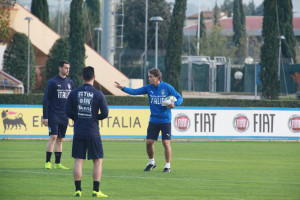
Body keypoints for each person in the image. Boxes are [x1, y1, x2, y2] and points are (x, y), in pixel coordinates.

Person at [114, 68, 183, 173]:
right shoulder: (148, 88)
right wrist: (122, 88)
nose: (149, 78)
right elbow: (134, 91)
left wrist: (175, 104)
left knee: (165, 142)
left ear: (157, 77)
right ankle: (151, 163)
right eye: (149, 76)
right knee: (149, 142)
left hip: (165, 120)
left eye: (151, 76)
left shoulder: (167, 87)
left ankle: (167, 166)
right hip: (154, 119)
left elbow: (179, 98)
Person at [65, 66, 109, 197]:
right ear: (94, 77)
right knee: (97, 160)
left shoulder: (73, 93)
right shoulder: (99, 94)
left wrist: (77, 118)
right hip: (93, 131)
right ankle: (96, 190)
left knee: (78, 160)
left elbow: (67, 111)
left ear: (82, 77)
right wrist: (95, 117)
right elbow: (105, 113)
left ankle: (78, 190)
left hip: (79, 131)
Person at [43, 60, 74, 170]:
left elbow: (72, 101)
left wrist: (73, 116)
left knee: (60, 139)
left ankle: (57, 163)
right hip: (54, 114)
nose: (67, 70)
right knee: (53, 137)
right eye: (66, 68)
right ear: (60, 68)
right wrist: (45, 116)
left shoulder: (70, 83)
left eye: (68, 68)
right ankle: (47, 162)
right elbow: (46, 99)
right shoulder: (53, 82)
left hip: (64, 115)